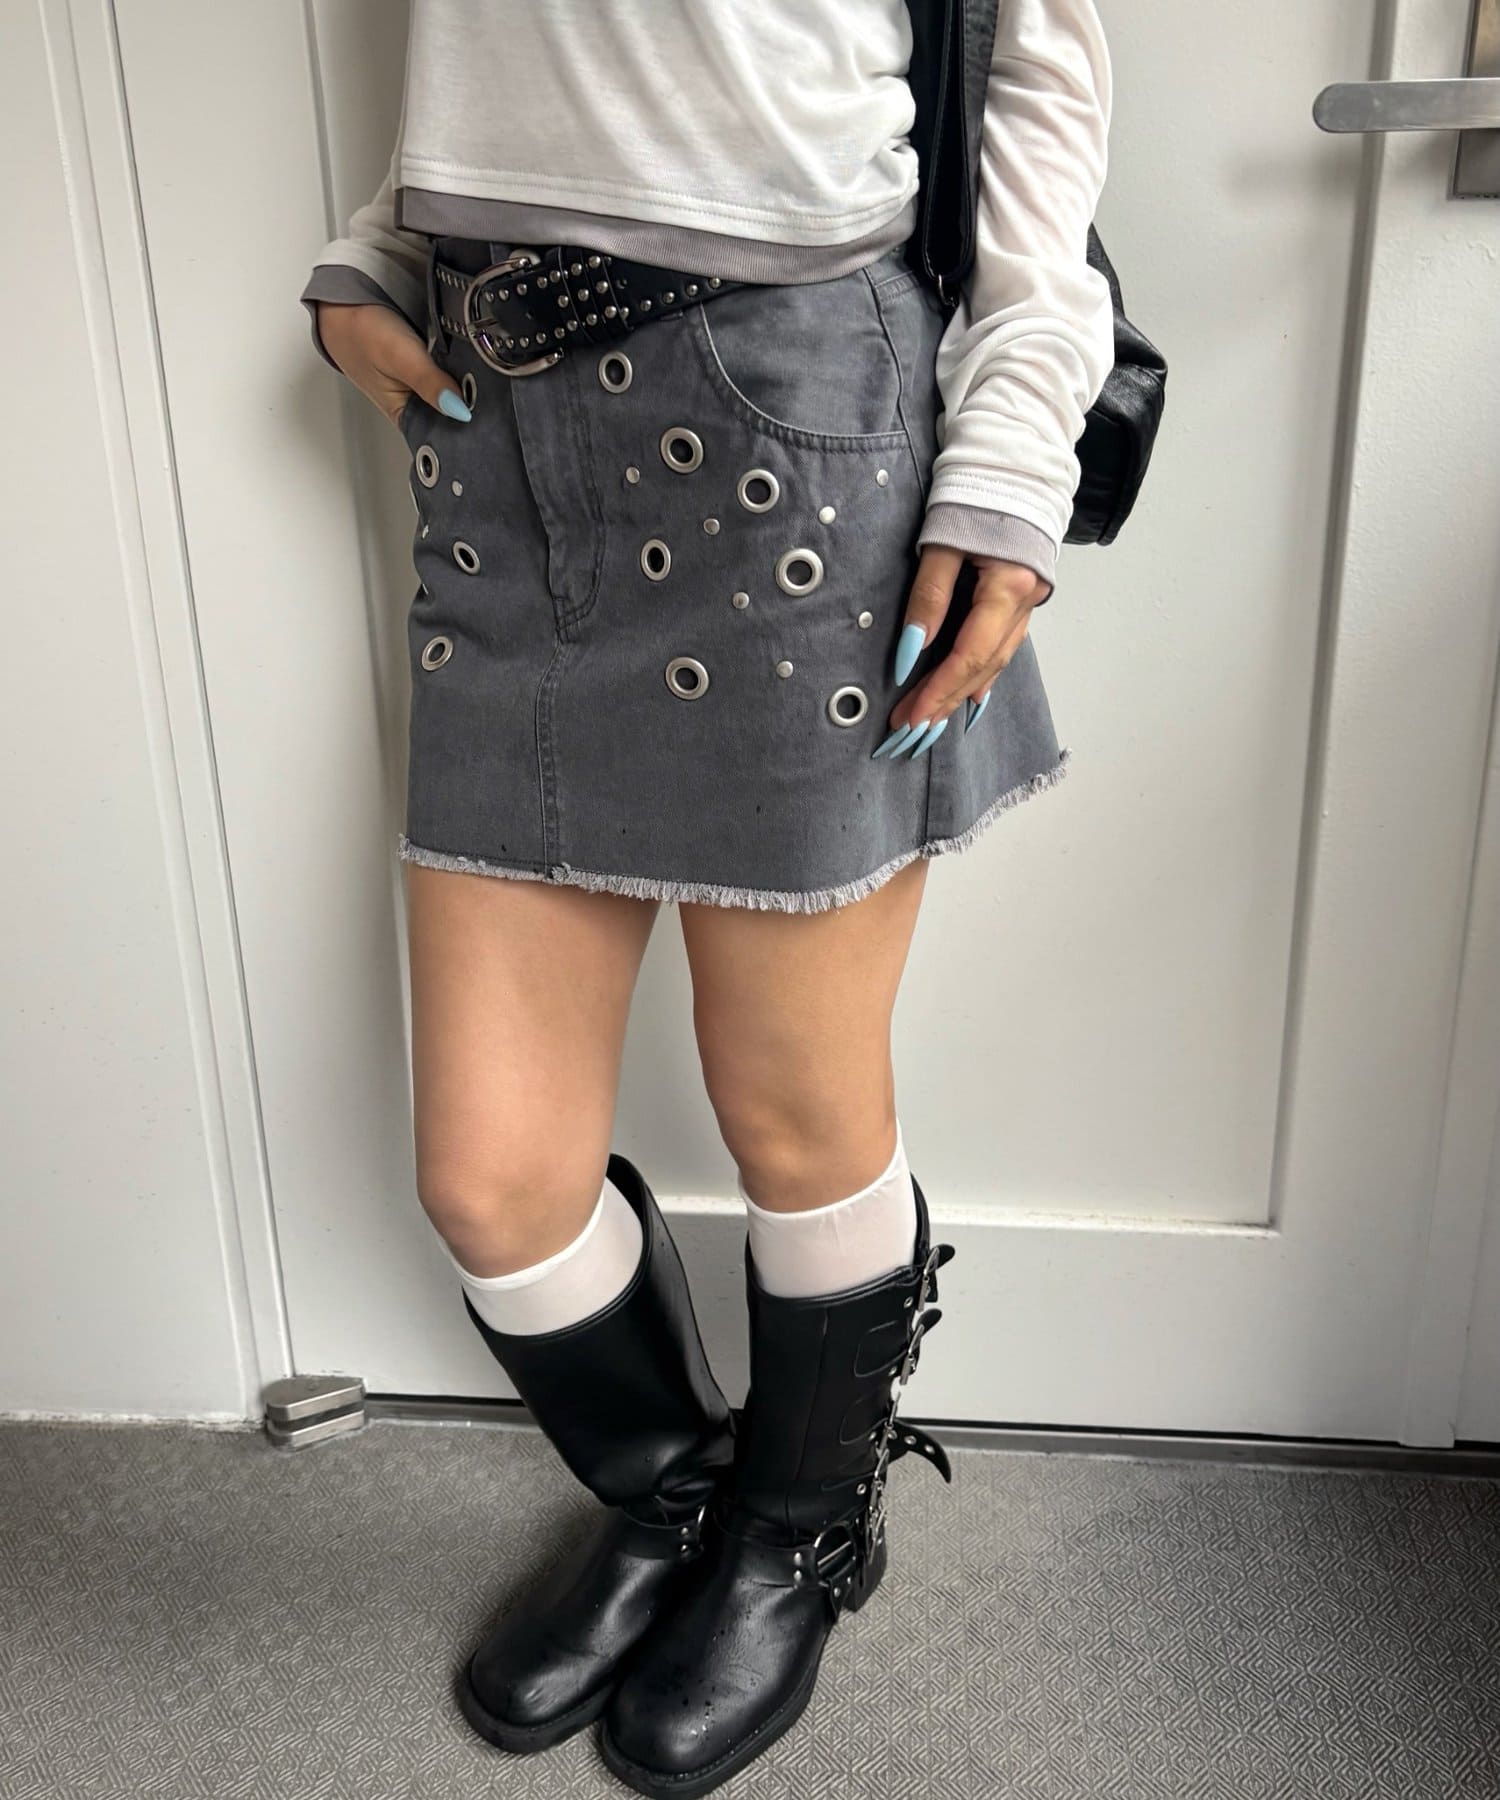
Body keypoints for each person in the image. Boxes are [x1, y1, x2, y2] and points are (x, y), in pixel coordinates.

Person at [301, 2, 1113, 1792]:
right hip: (501, 430)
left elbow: (1035, 85)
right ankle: (682, 1496)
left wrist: (1013, 456)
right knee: (491, 1181)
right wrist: (378, 245)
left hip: (794, 417)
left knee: (793, 1114)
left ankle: (800, 1534)